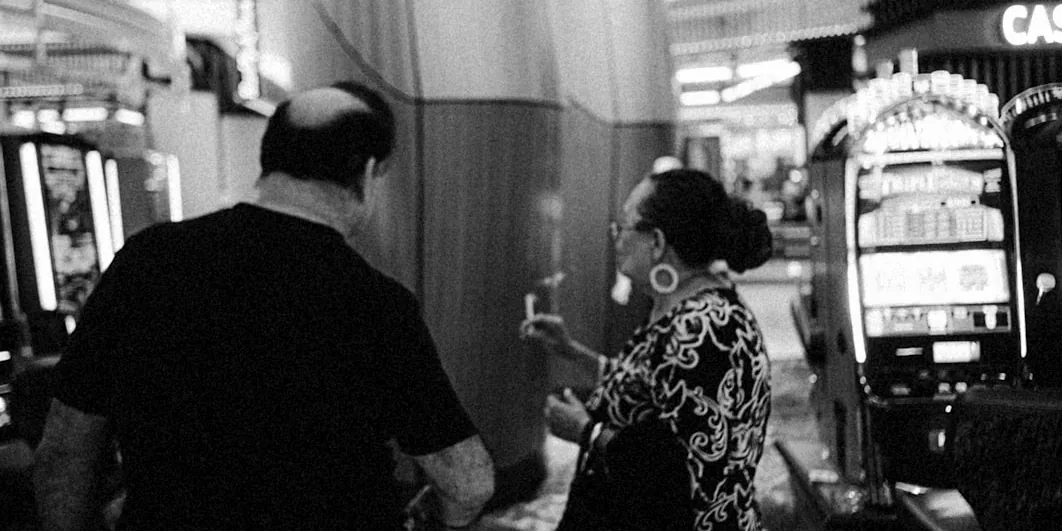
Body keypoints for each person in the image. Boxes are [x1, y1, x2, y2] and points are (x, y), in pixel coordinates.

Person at [32, 82, 495, 530]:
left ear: (268, 159)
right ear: (368, 173)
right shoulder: (377, 304)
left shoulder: (147, 260)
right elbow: (467, 483)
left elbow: (65, 451)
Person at [521, 168, 773, 531]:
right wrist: (571, 350)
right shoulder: (682, 308)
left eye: (622, 226)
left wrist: (584, 432)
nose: (616, 239)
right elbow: (652, 388)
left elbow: (675, 475)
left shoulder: (703, 327)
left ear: (656, 242)